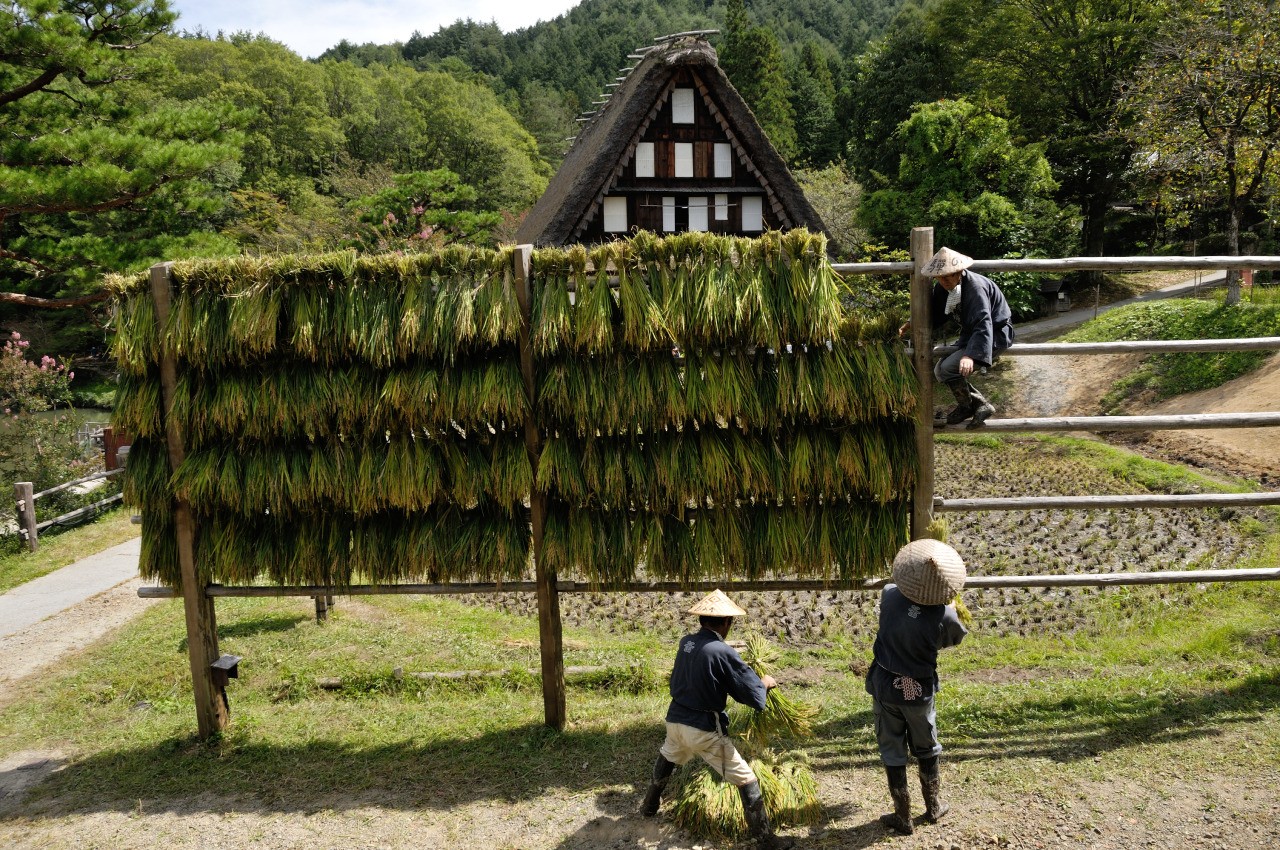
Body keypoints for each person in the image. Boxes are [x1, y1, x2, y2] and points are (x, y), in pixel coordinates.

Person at [639, 589, 793, 850]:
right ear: (725, 623)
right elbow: (752, 694)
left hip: (675, 721)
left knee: (668, 755)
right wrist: (764, 684)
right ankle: (765, 840)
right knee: (747, 779)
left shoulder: (686, 643)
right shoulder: (722, 651)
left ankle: (649, 806)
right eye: (730, 622)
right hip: (703, 730)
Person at [866, 539, 968, 835]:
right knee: (926, 744)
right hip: (919, 691)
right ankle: (933, 806)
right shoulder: (946, 615)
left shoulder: (889, 593)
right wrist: (945, 610)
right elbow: (952, 639)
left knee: (891, 747)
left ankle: (903, 816)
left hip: (886, 684)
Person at [903, 247, 1015, 428]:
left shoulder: (975, 289)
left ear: (959, 273)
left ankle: (971, 405)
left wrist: (970, 355)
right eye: (940, 277)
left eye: (948, 276)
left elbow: (983, 323)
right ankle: (974, 405)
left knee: (947, 368)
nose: (944, 281)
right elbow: (934, 314)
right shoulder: (942, 288)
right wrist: (911, 323)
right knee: (940, 370)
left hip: (994, 334)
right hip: (972, 334)